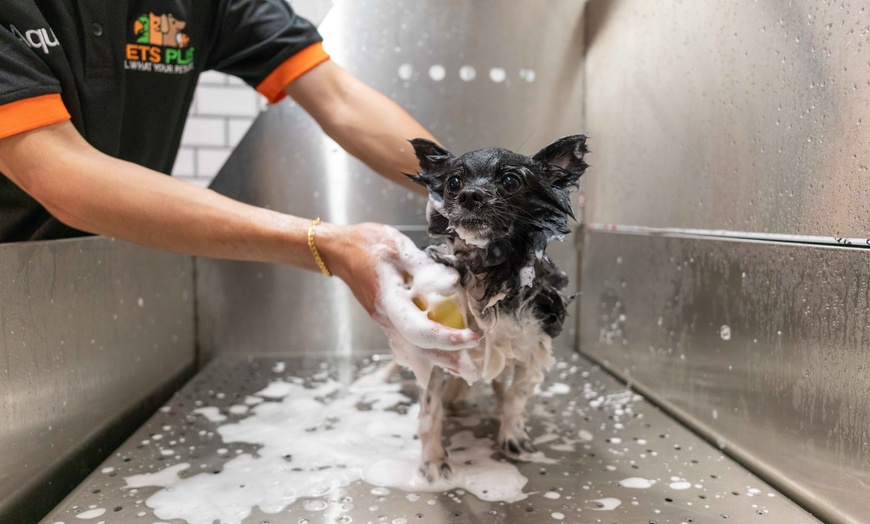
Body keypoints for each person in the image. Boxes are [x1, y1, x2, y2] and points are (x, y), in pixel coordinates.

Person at [0, 0, 479, 362]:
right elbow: (61, 174)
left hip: (108, 296)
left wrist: (472, 196)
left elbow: (337, 98)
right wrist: (327, 244)